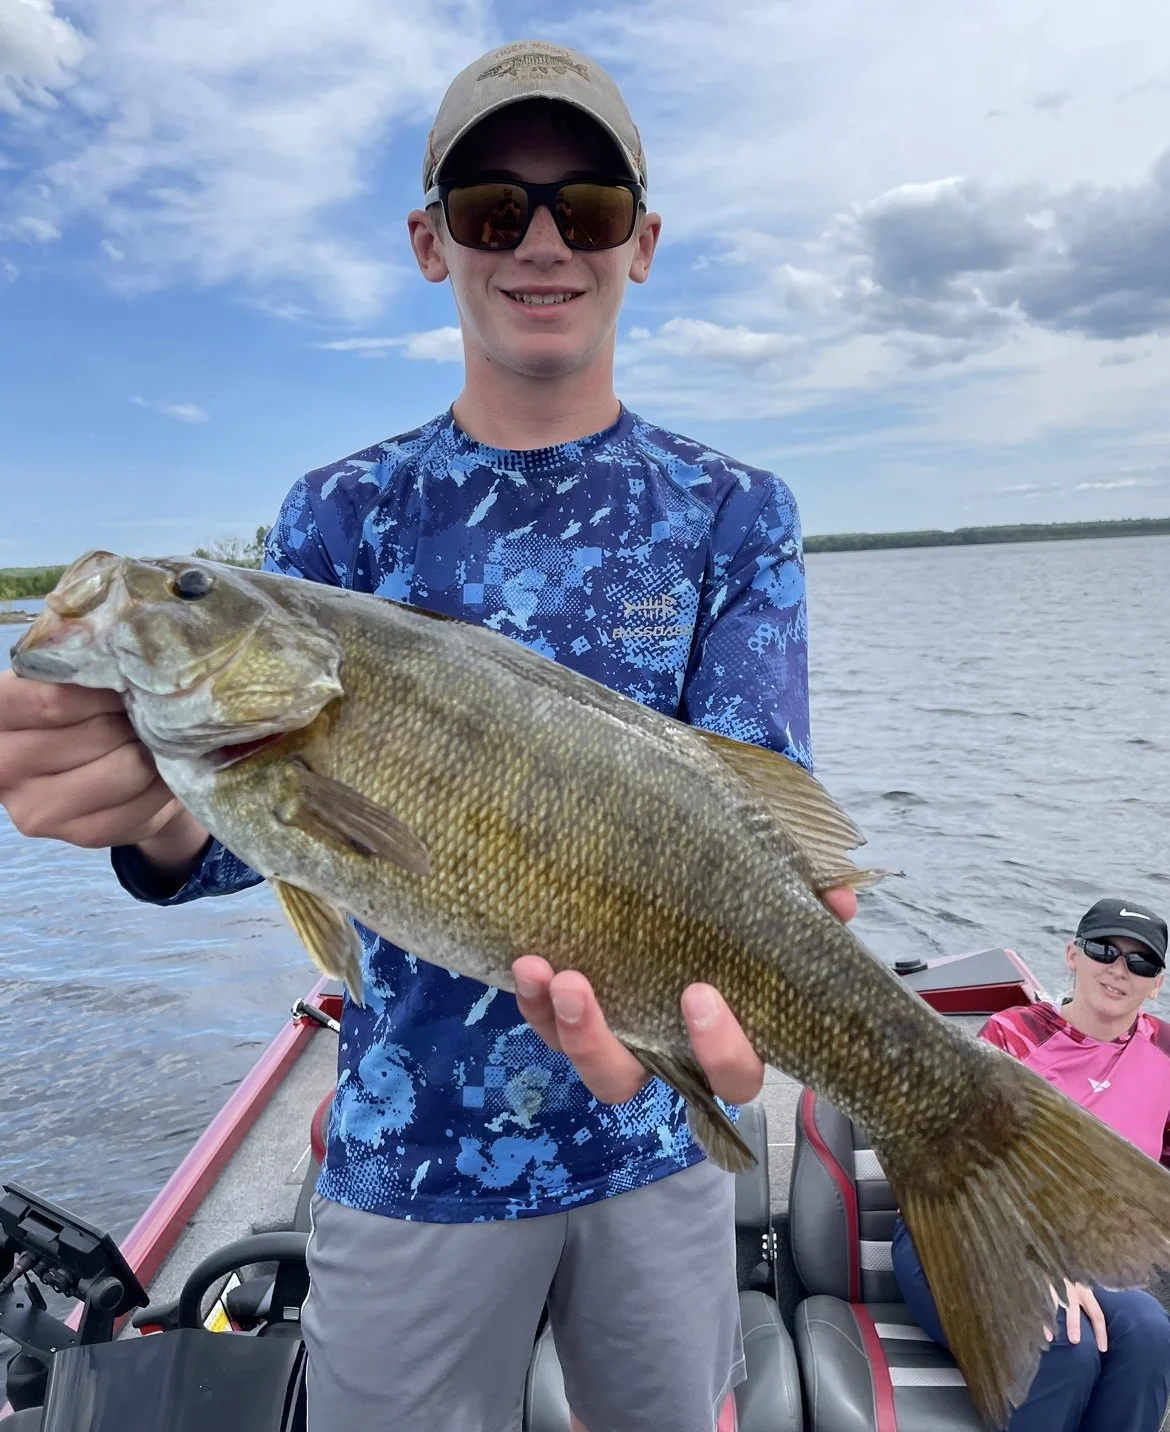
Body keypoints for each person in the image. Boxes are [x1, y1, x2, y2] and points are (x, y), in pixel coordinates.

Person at [0, 40, 857, 1432]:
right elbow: (252, 845)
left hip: (659, 1135)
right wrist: (154, 810)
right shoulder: (335, 518)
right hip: (409, 1156)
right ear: (426, 240)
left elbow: (758, 805)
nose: (538, 242)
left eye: (582, 209)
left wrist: (773, 995)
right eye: (487, 207)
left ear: (639, 245)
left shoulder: (732, 511)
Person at [892, 898, 1170, 1432]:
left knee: (1150, 1335)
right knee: (1065, 1345)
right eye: (1103, 950)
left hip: (1090, 1254)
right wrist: (1042, 1265)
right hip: (961, 1232)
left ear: (1156, 984)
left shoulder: (1166, 1054)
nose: (1119, 969)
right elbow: (956, 1173)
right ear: (1072, 954)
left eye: (1140, 963)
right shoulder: (1011, 1036)